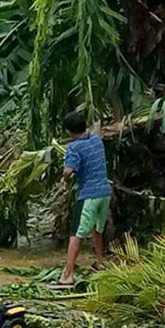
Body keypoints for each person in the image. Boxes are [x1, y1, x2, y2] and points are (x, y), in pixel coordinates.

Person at [55, 111, 112, 288]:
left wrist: (64, 178)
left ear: (68, 132)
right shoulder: (97, 140)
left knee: (76, 233)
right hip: (105, 192)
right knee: (97, 228)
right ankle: (100, 262)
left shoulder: (73, 148)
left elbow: (69, 170)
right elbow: (96, 128)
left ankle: (68, 275)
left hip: (89, 195)